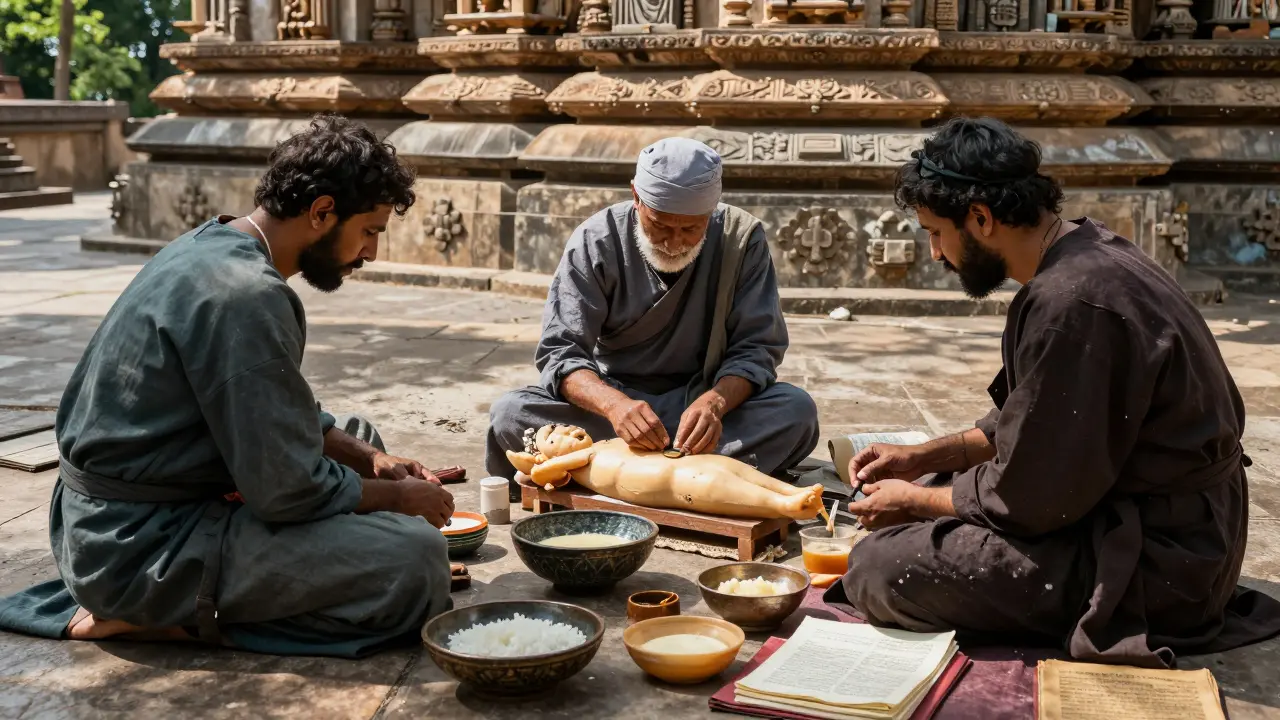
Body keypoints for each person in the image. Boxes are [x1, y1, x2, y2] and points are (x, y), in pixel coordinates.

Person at [0, 115, 459, 659]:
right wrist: (400, 498)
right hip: (135, 548)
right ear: (321, 213)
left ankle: (215, 589)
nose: (371, 253)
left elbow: (264, 402)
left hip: (106, 522)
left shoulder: (215, 242)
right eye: (370, 231)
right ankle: (174, 621)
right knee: (414, 562)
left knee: (360, 441)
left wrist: (370, 460)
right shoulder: (247, 295)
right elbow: (288, 491)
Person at [832, 117, 1280, 667]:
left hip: (1162, 562)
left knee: (879, 567)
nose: (935, 253)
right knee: (931, 482)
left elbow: (1029, 499)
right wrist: (925, 456)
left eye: (935, 233)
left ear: (980, 218)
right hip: (1184, 528)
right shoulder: (1089, 252)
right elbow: (1036, 417)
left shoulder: (1072, 303)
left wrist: (915, 502)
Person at [486, 137, 820, 497]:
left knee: (796, 412)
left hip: (701, 407)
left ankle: (616, 471)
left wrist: (715, 404)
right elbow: (560, 352)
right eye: (660, 225)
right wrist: (615, 406)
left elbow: (757, 348)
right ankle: (700, 476)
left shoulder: (741, 240)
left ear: (711, 212)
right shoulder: (596, 240)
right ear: (636, 196)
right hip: (612, 407)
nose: (674, 242)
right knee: (511, 412)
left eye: (691, 229)